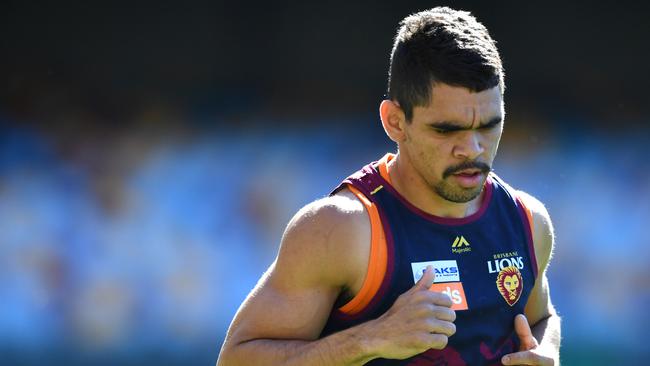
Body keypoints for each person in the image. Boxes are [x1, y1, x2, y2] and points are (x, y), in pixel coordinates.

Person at [217, 6, 561, 366]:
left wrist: (544, 350)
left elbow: (542, 318)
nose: (472, 149)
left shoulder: (526, 221)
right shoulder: (341, 228)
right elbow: (235, 361)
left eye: (489, 126)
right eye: (446, 130)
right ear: (395, 122)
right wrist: (370, 339)